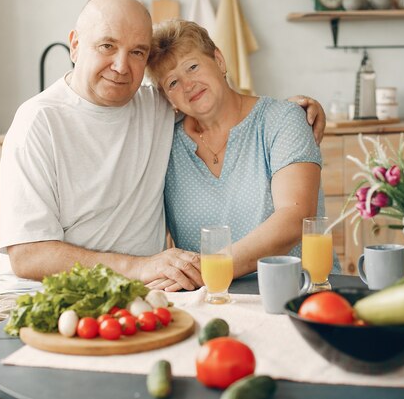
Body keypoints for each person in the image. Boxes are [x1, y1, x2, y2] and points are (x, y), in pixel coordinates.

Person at [0, 0, 326, 399]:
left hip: (136, 298)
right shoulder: (38, 122)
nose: (121, 66)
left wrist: (293, 112)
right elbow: (27, 256)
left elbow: (227, 107)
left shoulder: (158, 106)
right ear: (75, 45)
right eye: (106, 46)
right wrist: (140, 266)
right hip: (34, 296)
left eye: (136, 52)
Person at [144, 20, 340, 292]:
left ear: (219, 61)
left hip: (301, 292)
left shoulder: (283, 120)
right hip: (211, 299)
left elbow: (294, 219)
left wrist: (211, 270)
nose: (188, 84)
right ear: (168, 99)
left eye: (193, 66)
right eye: (173, 82)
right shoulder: (164, 144)